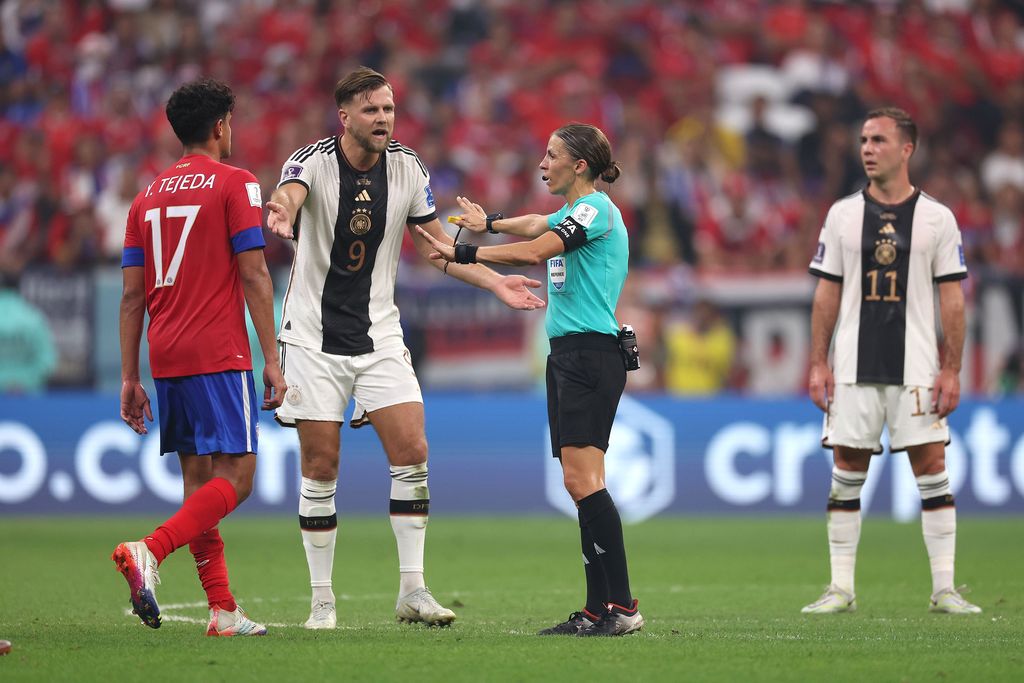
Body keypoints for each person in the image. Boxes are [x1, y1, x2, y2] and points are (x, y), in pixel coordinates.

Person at [265, 66, 544, 630]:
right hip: (313, 339)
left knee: (413, 449)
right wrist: (282, 212)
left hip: (379, 334)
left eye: (389, 109)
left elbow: (436, 246)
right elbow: (289, 193)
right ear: (344, 117)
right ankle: (322, 602)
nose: (384, 119)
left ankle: (412, 591)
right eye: (371, 110)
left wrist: (495, 283)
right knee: (321, 465)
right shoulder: (312, 161)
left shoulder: (409, 169)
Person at [418, 122, 643, 637]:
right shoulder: (570, 212)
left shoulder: (596, 209)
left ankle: (622, 607)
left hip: (591, 353)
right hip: (569, 354)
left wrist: (467, 252)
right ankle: (597, 609)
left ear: (579, 166)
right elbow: (536, 223)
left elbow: (537, 249)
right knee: (580, 481)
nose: (543, 163)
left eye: (551, 155)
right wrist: (489, 222)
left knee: (584, 481)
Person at [113, 78, 288, 636]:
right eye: (230, 123)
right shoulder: (236, 183)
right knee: (237, 479)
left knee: (198, 483)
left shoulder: (145, 197)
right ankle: (150, 550)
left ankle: (222, 610)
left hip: (166, 353)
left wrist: (128, 375)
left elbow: (131, 295)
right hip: (219, 347)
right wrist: (273, 358)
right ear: (219, 127)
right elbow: (255, 272)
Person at [804, 107, 980, 615]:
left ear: (907, 149)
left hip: (919, 367)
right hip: (855, 365)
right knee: (846, 468)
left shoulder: (937, 218)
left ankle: (944, 588)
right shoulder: (841, 215)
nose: (867, 148)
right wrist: (819, 362)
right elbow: (825, 294)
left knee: (932, 467)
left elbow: (953, 299)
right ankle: (841, 588)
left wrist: (952, 368)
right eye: (863, 139)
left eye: (879, 140)